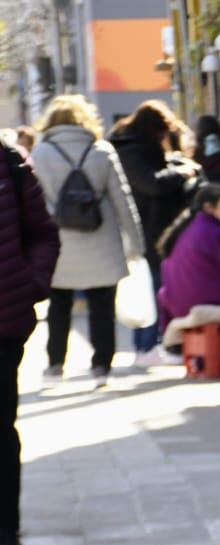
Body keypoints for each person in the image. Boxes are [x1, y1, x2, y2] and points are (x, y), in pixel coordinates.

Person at [30, 94, 145, 388]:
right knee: (102, 306)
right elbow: (122, 198)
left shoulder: (41, 152)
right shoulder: (101, 151)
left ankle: (55, 366)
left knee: (58, 306)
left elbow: (34, 202)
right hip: (101, 240)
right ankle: (101, 368)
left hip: (58, 243)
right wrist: (136, 242)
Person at [0, 134, 60, 545]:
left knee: (1, 429)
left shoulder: (9, 163)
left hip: (4, 319)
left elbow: (43, 233)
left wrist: (30, 284)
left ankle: (6, 538)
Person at [109, 99, 203, 362]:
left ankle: (150, 345)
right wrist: (182, 174)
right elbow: (151, 183)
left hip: (155, 226)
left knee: (155, 286)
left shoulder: (134, 148)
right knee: (152, 288)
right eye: (162, 132)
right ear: (152, 129)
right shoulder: (131, 151)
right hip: (147, 228)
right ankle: (147, 345)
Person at [156, 182, 220, 332]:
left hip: (179, 310)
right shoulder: (219, 234)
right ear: (209, 207)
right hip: (213, 306)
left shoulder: (183, 234)